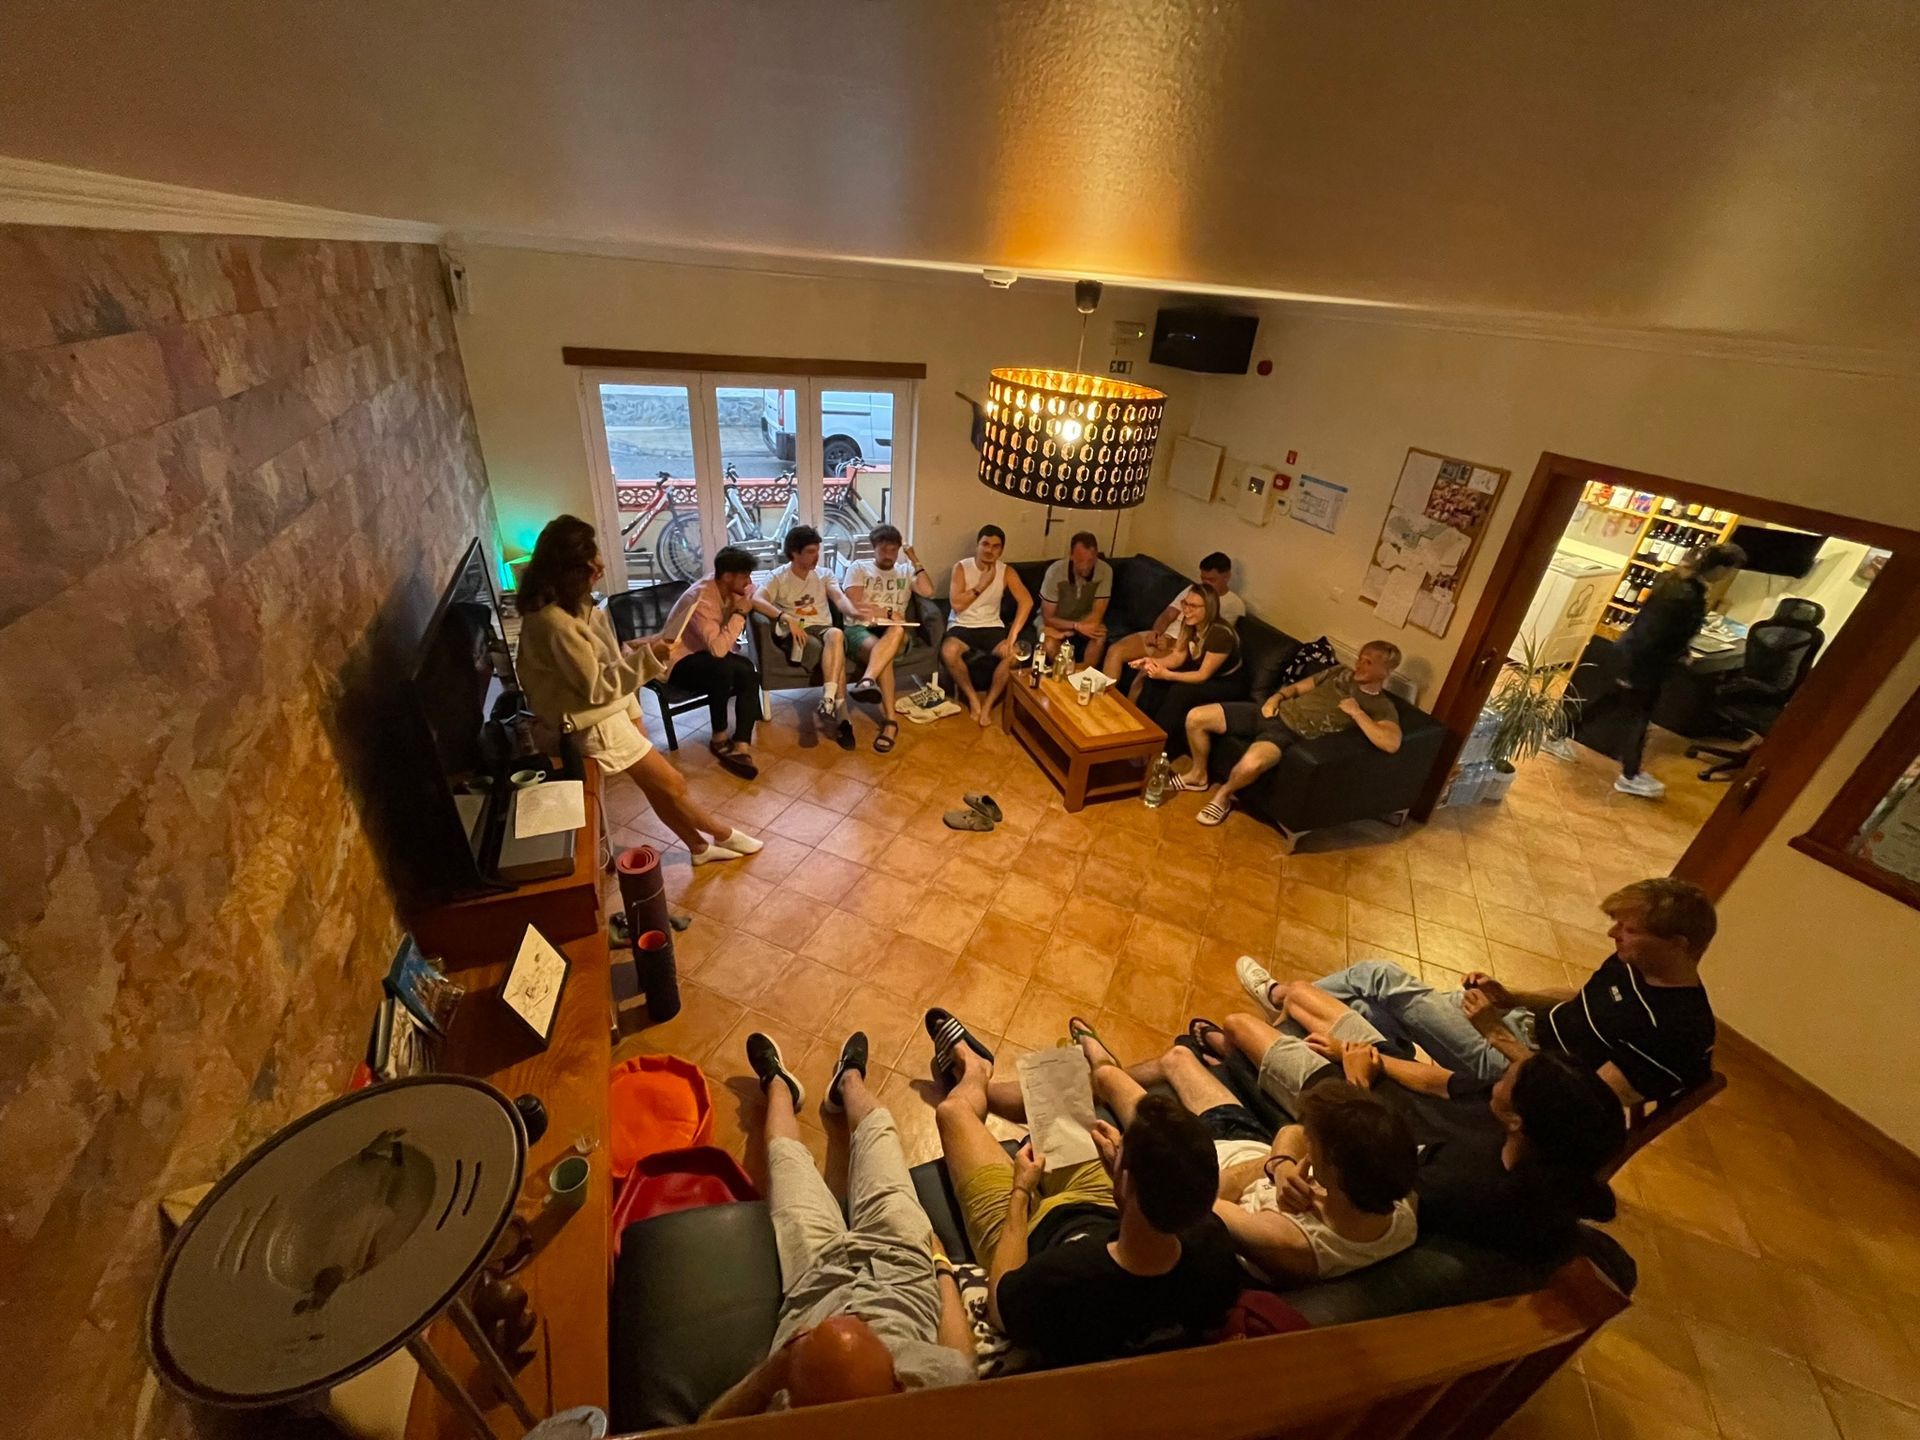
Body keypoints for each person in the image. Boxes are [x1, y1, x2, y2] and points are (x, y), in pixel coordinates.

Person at [926, 1007, 1241, 1366]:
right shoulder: (1212, 1249)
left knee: (953, 1113)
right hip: (1107, 1207)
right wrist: (1121, 1186)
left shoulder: (1062, 1281)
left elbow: (1000, 1308)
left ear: (1125, 1180)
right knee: (1056, 1092)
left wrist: (1020, 1193)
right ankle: (987, 1085)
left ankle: (974, 1070)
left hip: (1026, 1232)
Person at [1242, 876, 1719, 1108]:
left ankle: (1281, 1000)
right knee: (1367, 1009)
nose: (1614, 935)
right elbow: (1579, 1001)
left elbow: (1581, 1106)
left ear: (1677, 945)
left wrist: (1499, 1036)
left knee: (1379, 976)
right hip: (1518, 1031)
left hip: (1517, 1071)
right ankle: (1311, 1045)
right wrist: (1511, 998)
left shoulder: (1675, 1031)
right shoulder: (1634, 962)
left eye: (1629, 929)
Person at [1183, 1008, 1622, 1259]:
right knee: (1315, 1001)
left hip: (1350, 1103)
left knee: (1239, 1023)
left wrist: (1357, 1080)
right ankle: (1236, 1055)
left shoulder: (1461, 1186)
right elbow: (1438, 1082)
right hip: (1373, 1083)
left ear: (1517, 1121)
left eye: (1512, 1074)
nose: (1503, 1073)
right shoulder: (1518, 1126)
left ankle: (1228, 1051)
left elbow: (1362, 1150)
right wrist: (1363, 1058)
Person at [704, 1031, 974, 1417]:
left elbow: (704, 1428)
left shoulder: (790, 1410)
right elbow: (959, 1358)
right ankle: (849, 1080)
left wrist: (773, 1373)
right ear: (900, 1384)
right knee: (879, 1132)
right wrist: (942, 1267)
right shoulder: (937, 1398)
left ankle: (779, 1085)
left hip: (813, 1281)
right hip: (902, 1268)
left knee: (784, 1159)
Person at [1077, 1024, 1416, 1285]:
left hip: (1184, 1156)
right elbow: (1292, 1132)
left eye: (1316, 1146)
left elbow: (1189, 1197)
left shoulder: (1288, 1242)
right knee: (1178, 1058)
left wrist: (1127, 1162)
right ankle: (1101, 1081)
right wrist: (1279, 1165)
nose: (1307, 1144)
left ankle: (1096, 1061)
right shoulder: (1396, 1197)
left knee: (1107, 1076)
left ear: (1334, 1173)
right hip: (1242, 1139)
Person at [511, 515, 762, 867]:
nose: (600, 565)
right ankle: (723, 834)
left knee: (656, 787)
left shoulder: (582, 608)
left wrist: (635, 713)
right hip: (589, 723)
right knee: (671, 783)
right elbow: (598, 687)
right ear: (570, 568)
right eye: (591, 560)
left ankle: (700, 848)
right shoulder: (554, 624)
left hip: (606, 712)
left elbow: (612, 664)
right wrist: (651, 657)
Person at [1556, 542, 1746, 798]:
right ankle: (1630, 775)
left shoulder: (1676, 582)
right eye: (1728, 570)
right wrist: (1666, 659)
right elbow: (1653, 634)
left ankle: (1556, 734)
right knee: (1637, 718)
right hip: (1642, 662)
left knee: (1609, 701)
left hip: (1637, 658)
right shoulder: (1684, 595)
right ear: (1719, 568)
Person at [1178, 640, 1403, 827]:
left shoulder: (1381, 705)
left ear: (1386, 671)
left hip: (1287, 733)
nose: (1359, 665)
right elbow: (1296, 688)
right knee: (1196, 717)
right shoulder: (1340, 672)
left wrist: (1357, 713)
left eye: (1368, 662)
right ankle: (1198, 774)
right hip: (1271, 712)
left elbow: (1391, 743)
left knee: (1250, 765)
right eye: (1360, 658)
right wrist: (1275, 698)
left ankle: (1223, 796)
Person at [664, 545, 765, 780]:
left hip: (706, 655)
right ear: (728, 576)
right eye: (745, 576)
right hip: (679, 660)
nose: (749, 581)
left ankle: (741, 744)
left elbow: (753, 592)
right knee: (723, 669)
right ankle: (719, 737)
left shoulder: (729, 586)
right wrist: (740, 614)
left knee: (748, 670)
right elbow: (718, 650)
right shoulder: (701, 599)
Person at [753, 524, 856, 750]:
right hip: (797, 632)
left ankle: (828, 699)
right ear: (794, 553)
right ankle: (843, 719)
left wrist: (852, 610)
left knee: (836, 635)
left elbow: (839, 598)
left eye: (817, 550)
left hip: (823, 629)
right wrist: (785, 617)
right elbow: (756, 600)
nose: (816, 556)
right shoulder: (778, 577)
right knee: (831, 652)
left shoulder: (824, 574)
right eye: (810, 552)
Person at [841, 524, 936, 754]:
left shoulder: (905, 571)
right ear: (874, 548)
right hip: (860, 631)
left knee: (896, 631)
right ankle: (891, 723)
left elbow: (928, 591)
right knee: (884, 655)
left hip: (896, 632)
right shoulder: (858, 568)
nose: (888, 555)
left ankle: (867, 681)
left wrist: (913, 557)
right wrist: (890, 613)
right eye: (883, 550)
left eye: (893, 550)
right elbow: (854, 603)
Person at [1102, 551, 1244, 686]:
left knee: (1145, 674)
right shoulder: (1193, 590)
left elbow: (1206, 640)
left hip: (1182, 647)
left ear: (1226, 576)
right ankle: (1103, 700)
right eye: (1203, 578)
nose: (1205, 584)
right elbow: (1168, 614)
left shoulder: (1233, 604)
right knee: (1115, 650)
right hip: (1166, 636)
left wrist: (1172, 644)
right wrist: (1156, 632)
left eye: (1211, 580)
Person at [1129, 585, 1248, 747]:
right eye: (1185, 603)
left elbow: (1202, 675)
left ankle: (1160, 747)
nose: (1186, 609)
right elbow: (1178, 656)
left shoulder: (1220, 634)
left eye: (1193, 606)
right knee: (1152, 678)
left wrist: (1167, 674)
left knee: (1180, 691)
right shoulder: (1189, 623)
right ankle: (1140, 733)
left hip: (1227, 683)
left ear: (1210, 608)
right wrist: (1150, 662)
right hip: (1204, 673)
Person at [942, 524, 1033, 726]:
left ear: (1001, 550)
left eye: (995, 546)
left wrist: (1013, 636)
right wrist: (982, 584)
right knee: (949, 652)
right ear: (977, 545)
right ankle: (974, 700)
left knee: (1014, 655)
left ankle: (988, 704)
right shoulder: (961, 567)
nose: (989, 550)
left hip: (992, 626)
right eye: (985, 544)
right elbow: (956, 605)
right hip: (962, 625)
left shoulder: (1006, 571)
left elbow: (1027, 601)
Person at [1038, 531, 1114, 672]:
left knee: (1100, 636)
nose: (1085, 566)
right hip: (1057, 620)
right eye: (1080, 561)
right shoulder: (1055, 571)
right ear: (1071, 556)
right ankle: (1064, 674)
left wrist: (1085, 627)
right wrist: (1075, 627)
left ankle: (1084, 675)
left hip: (1084, 619)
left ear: (1096, 556)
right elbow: (1048, 618)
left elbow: (1098, 613)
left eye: (1090, 561)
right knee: (1049, 644)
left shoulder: (1105, 571)